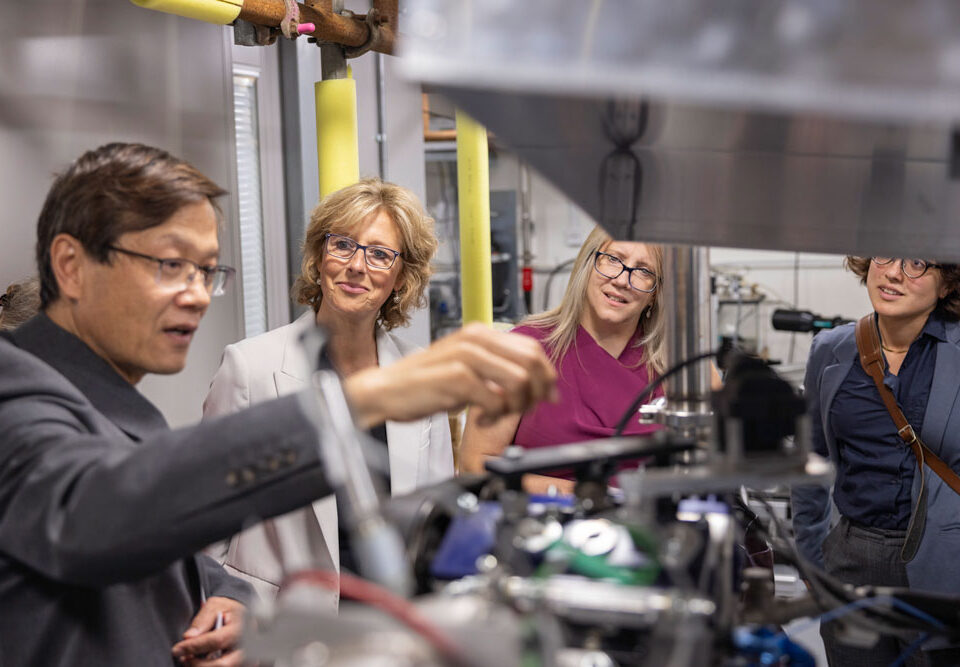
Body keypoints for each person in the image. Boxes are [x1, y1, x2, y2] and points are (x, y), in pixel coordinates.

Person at [0, 142, 557, 666]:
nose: (195, 294)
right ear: (71, 266)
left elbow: (174, 550)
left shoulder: (115, 403)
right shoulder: (15, 389)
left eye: (205, 271)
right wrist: (362, 402)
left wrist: (229, 595)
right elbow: (95, 511)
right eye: (171, 266)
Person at [203, 178, 453, 604]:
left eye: (379, 254)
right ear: (320, 258)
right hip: (281, 622)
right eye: (343, 245)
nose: (357, 266)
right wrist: (218, 610)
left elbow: (437, 518)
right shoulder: (251, 367)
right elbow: (207, 519)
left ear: (401, 278)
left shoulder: (421, 376)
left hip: (390, 622)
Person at [792, 255, 960, 666]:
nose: (894, 273)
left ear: (948, 283)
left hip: (946, 563)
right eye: (885, 254)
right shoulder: (830, 350)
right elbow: (809, 461)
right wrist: (814, 561)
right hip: (851, 559)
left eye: (918, 263)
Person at [462, 227, 690, 493]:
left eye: (643, 271)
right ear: (587, 264)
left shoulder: (677, 364)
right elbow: (474, 466)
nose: (622, 279)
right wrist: (594, 495)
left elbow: (717, 458)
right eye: (614, 259)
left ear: (655, 293)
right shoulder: (518, 352)